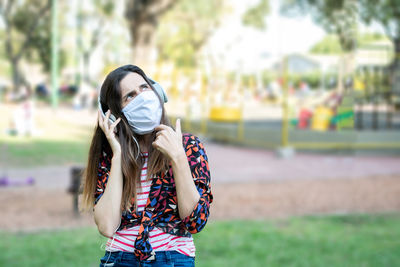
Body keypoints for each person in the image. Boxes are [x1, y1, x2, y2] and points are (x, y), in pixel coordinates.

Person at [81, 64, 213, 267]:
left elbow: (195, 221)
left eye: (144, 88)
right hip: (119, 259)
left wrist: (178, 157)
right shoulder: (110, 155)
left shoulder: (188, 146)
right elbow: (107, 226)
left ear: (157, 92)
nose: (142, 97)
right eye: (130, 96)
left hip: (172, 259)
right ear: (116, 115)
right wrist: (117, 156)